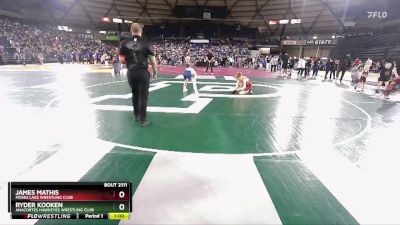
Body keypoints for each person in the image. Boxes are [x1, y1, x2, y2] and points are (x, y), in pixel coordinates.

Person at [119, 23, 158, 127]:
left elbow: (121, 60)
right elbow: (153, 61)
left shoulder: (124, 43)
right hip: (143, 73)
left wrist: (130, 61)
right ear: (141, 31)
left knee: (134, 94)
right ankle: (143, 120)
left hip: (131, 72)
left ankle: (136, 115)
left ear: (131, 31)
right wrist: (155, 72)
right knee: (143, 96)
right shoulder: (147, 42)